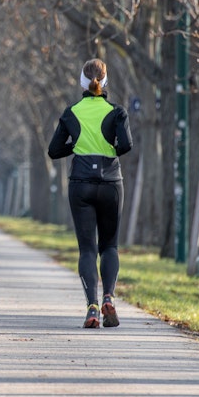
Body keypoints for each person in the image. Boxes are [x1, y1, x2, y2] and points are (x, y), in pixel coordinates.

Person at [48, 58, 133, 329]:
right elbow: (127, 144)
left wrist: (76, 146)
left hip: (81, 183)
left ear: (82, 82)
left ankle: (92, 307)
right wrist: (110, 153)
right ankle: (109, 295)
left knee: (87, 249)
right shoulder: (117, 111)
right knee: (109, 246)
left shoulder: (71, 112)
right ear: (105, 81)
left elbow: (53, 150)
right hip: (110, 183)